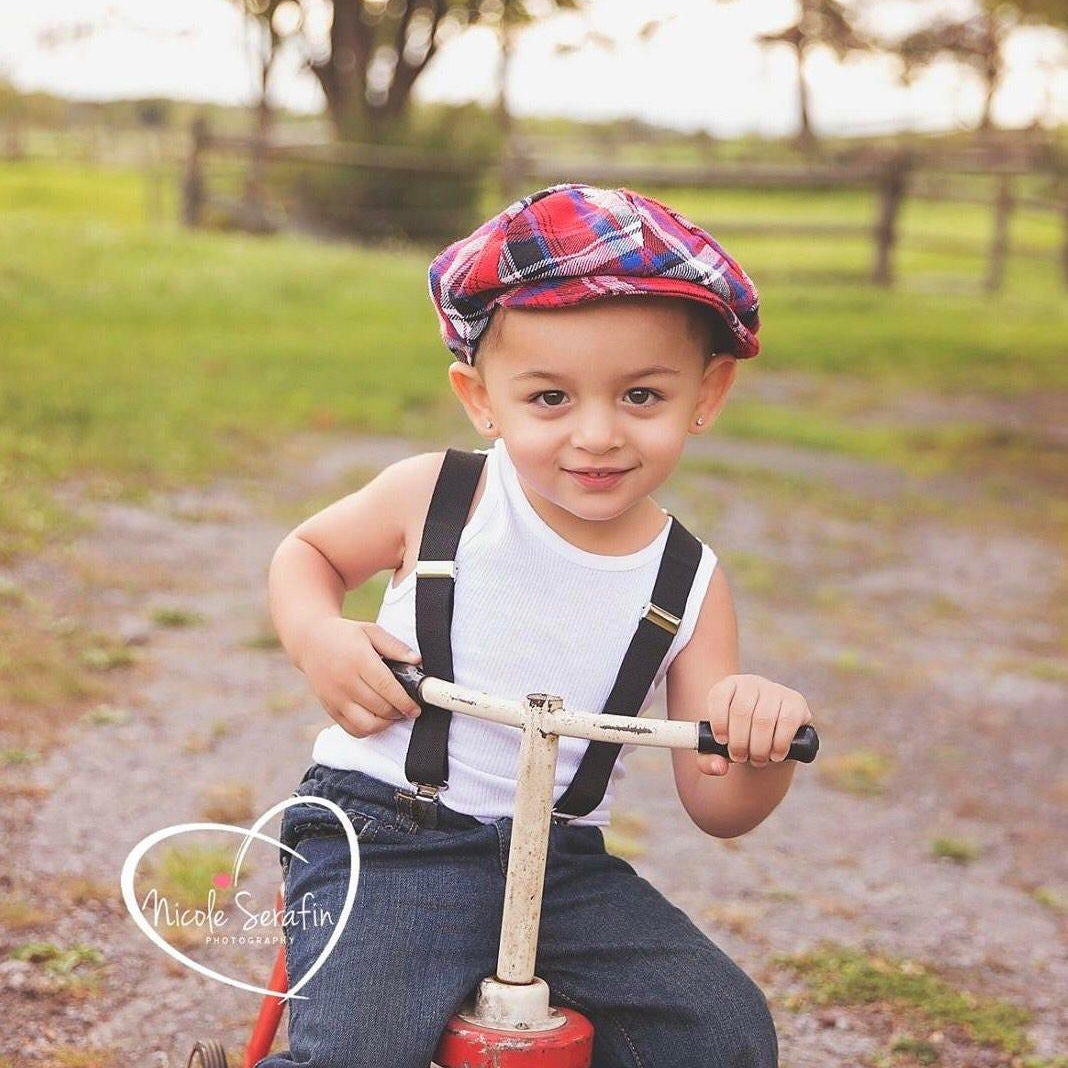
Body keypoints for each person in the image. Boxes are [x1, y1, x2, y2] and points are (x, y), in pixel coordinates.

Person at [261, 183, 814, 1068]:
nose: (596, 435)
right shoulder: (441, 496)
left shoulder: (690, 582)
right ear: (481, 398)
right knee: (359, 1050)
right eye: (549, 399)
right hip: (385, 834)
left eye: (641, 396)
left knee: (722, 1029)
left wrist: (759, 744)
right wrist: (317, 634)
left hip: (554, 861)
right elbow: (307, 554)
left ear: (707, 394)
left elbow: (717, 802)